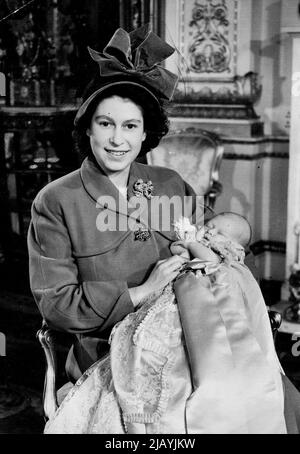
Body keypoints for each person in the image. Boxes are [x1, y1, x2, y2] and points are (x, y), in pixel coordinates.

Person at [28, 25, 300, 434]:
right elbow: (56, 305)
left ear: (145, 134)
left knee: (258, 392)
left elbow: (214, 240)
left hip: (195, 337)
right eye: (106, 124)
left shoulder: (169, 183)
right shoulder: (55, 200)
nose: (118, 140)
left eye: (130, 127)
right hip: (113, 354)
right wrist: (138, 291)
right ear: (87, 128)